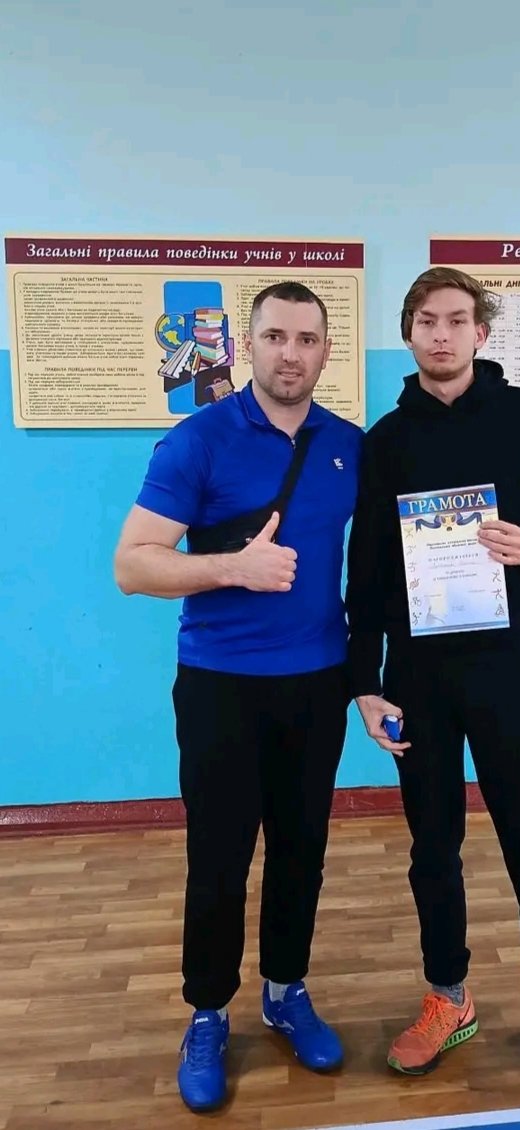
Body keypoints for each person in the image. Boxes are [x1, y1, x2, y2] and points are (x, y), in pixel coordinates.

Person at [345, 267, 520, 1099]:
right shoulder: (385, 441)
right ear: (408, 333)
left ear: (480, 334)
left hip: (509, 664)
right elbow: (366, 572)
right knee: (432, 845)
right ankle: (448, 997)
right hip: (417, 675)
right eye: (426, 320)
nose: (441, 334)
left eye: (456, 320)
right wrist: (365, 682)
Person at [114, 281, 363, 1113]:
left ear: (325, 351)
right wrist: (232, 568)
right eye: (274, 337)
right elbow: (132, 565)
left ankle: (286, 991)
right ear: (246, 346)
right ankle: (208, 1013)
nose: (290, 353)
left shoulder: (348, 445)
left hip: (317, 683)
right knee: (219, 857)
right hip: (220, 686)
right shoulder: (199, 440)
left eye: (306, 339)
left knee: (301, 850)